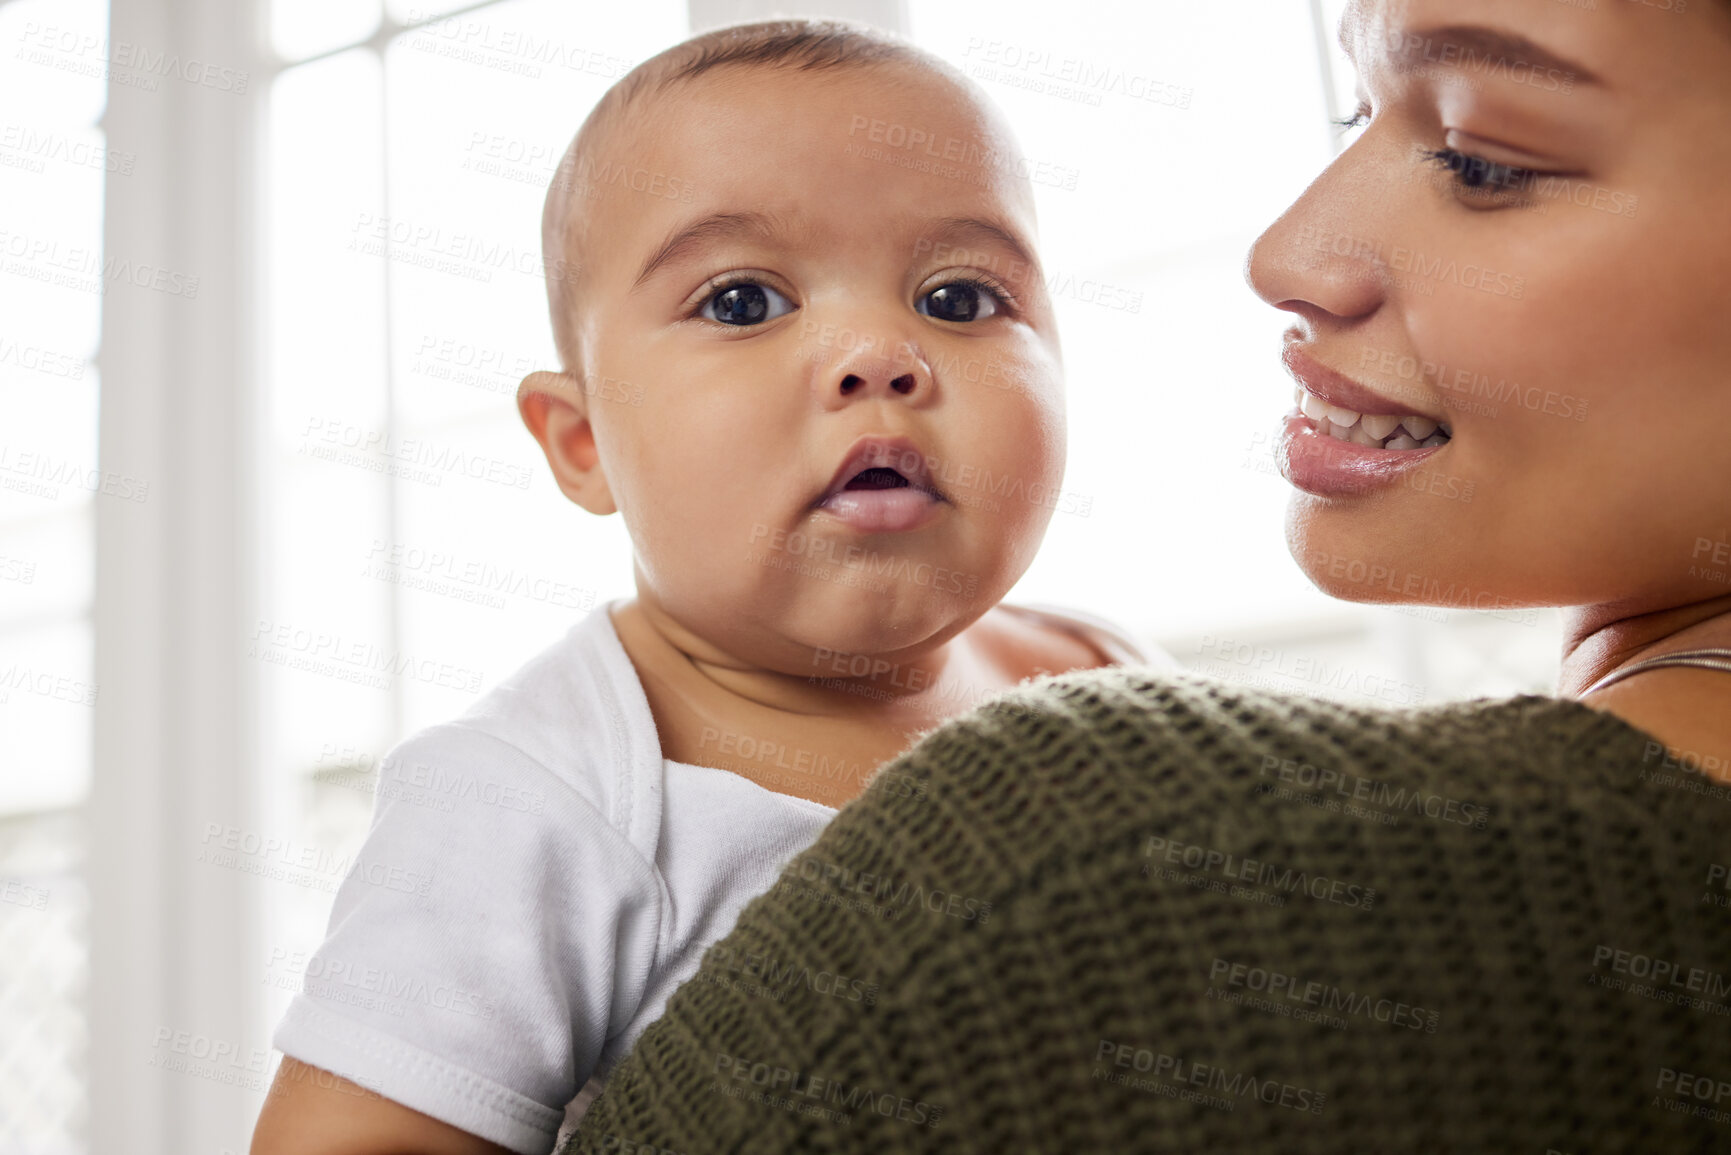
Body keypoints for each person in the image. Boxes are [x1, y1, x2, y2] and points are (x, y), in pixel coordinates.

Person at [559, 1, 1731, 1151]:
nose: (1286, 255)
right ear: (574, 438)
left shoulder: (1094, 839)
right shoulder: (546, 786)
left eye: (1478, 159)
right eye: (1358, 113)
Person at [249, 20, 1164, 1155]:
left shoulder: (1107, 676)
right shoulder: (538, 793)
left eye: (960, 299)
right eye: (743, 301)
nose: (878, 354)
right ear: (583, 445)